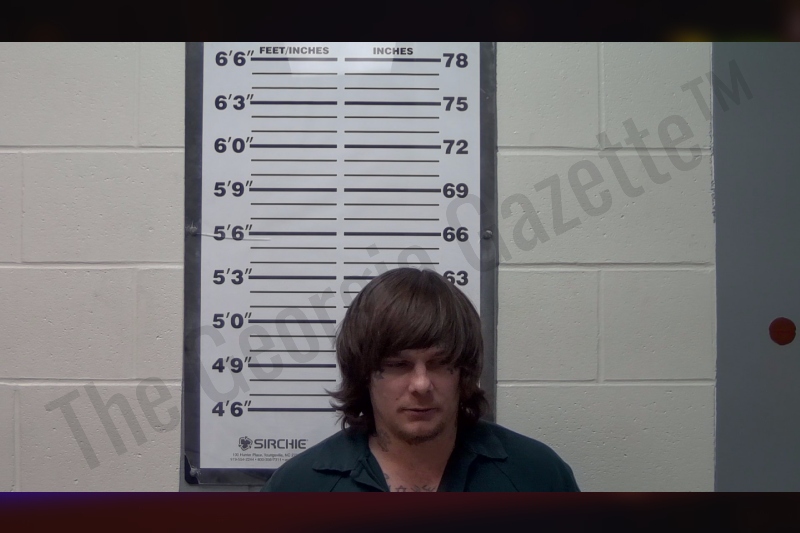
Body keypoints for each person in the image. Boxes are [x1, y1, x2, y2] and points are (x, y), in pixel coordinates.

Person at [262, 268, 579, 492]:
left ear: (463, 371)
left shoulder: (537, 476)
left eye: (440, 364)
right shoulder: (298, 487)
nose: (421, 384)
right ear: (364, 374)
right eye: (398, 365)